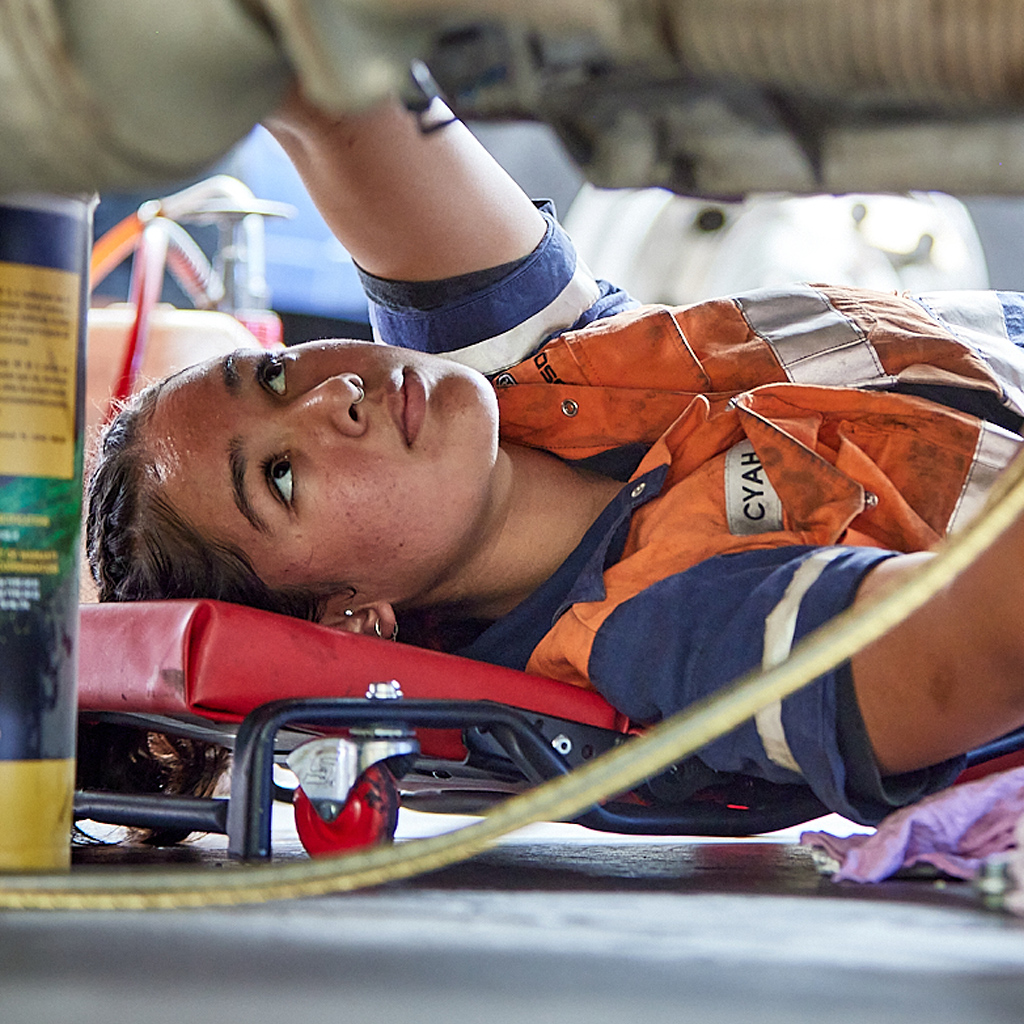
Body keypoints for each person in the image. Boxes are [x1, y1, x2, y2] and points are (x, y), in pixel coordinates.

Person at [86, 85, 1024, 827]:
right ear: (352, 616)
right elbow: (974, 653)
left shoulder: (518, 377)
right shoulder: (661, 636)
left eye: (279, 374)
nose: (337, 397)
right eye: (280, 478)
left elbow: (334, 93)